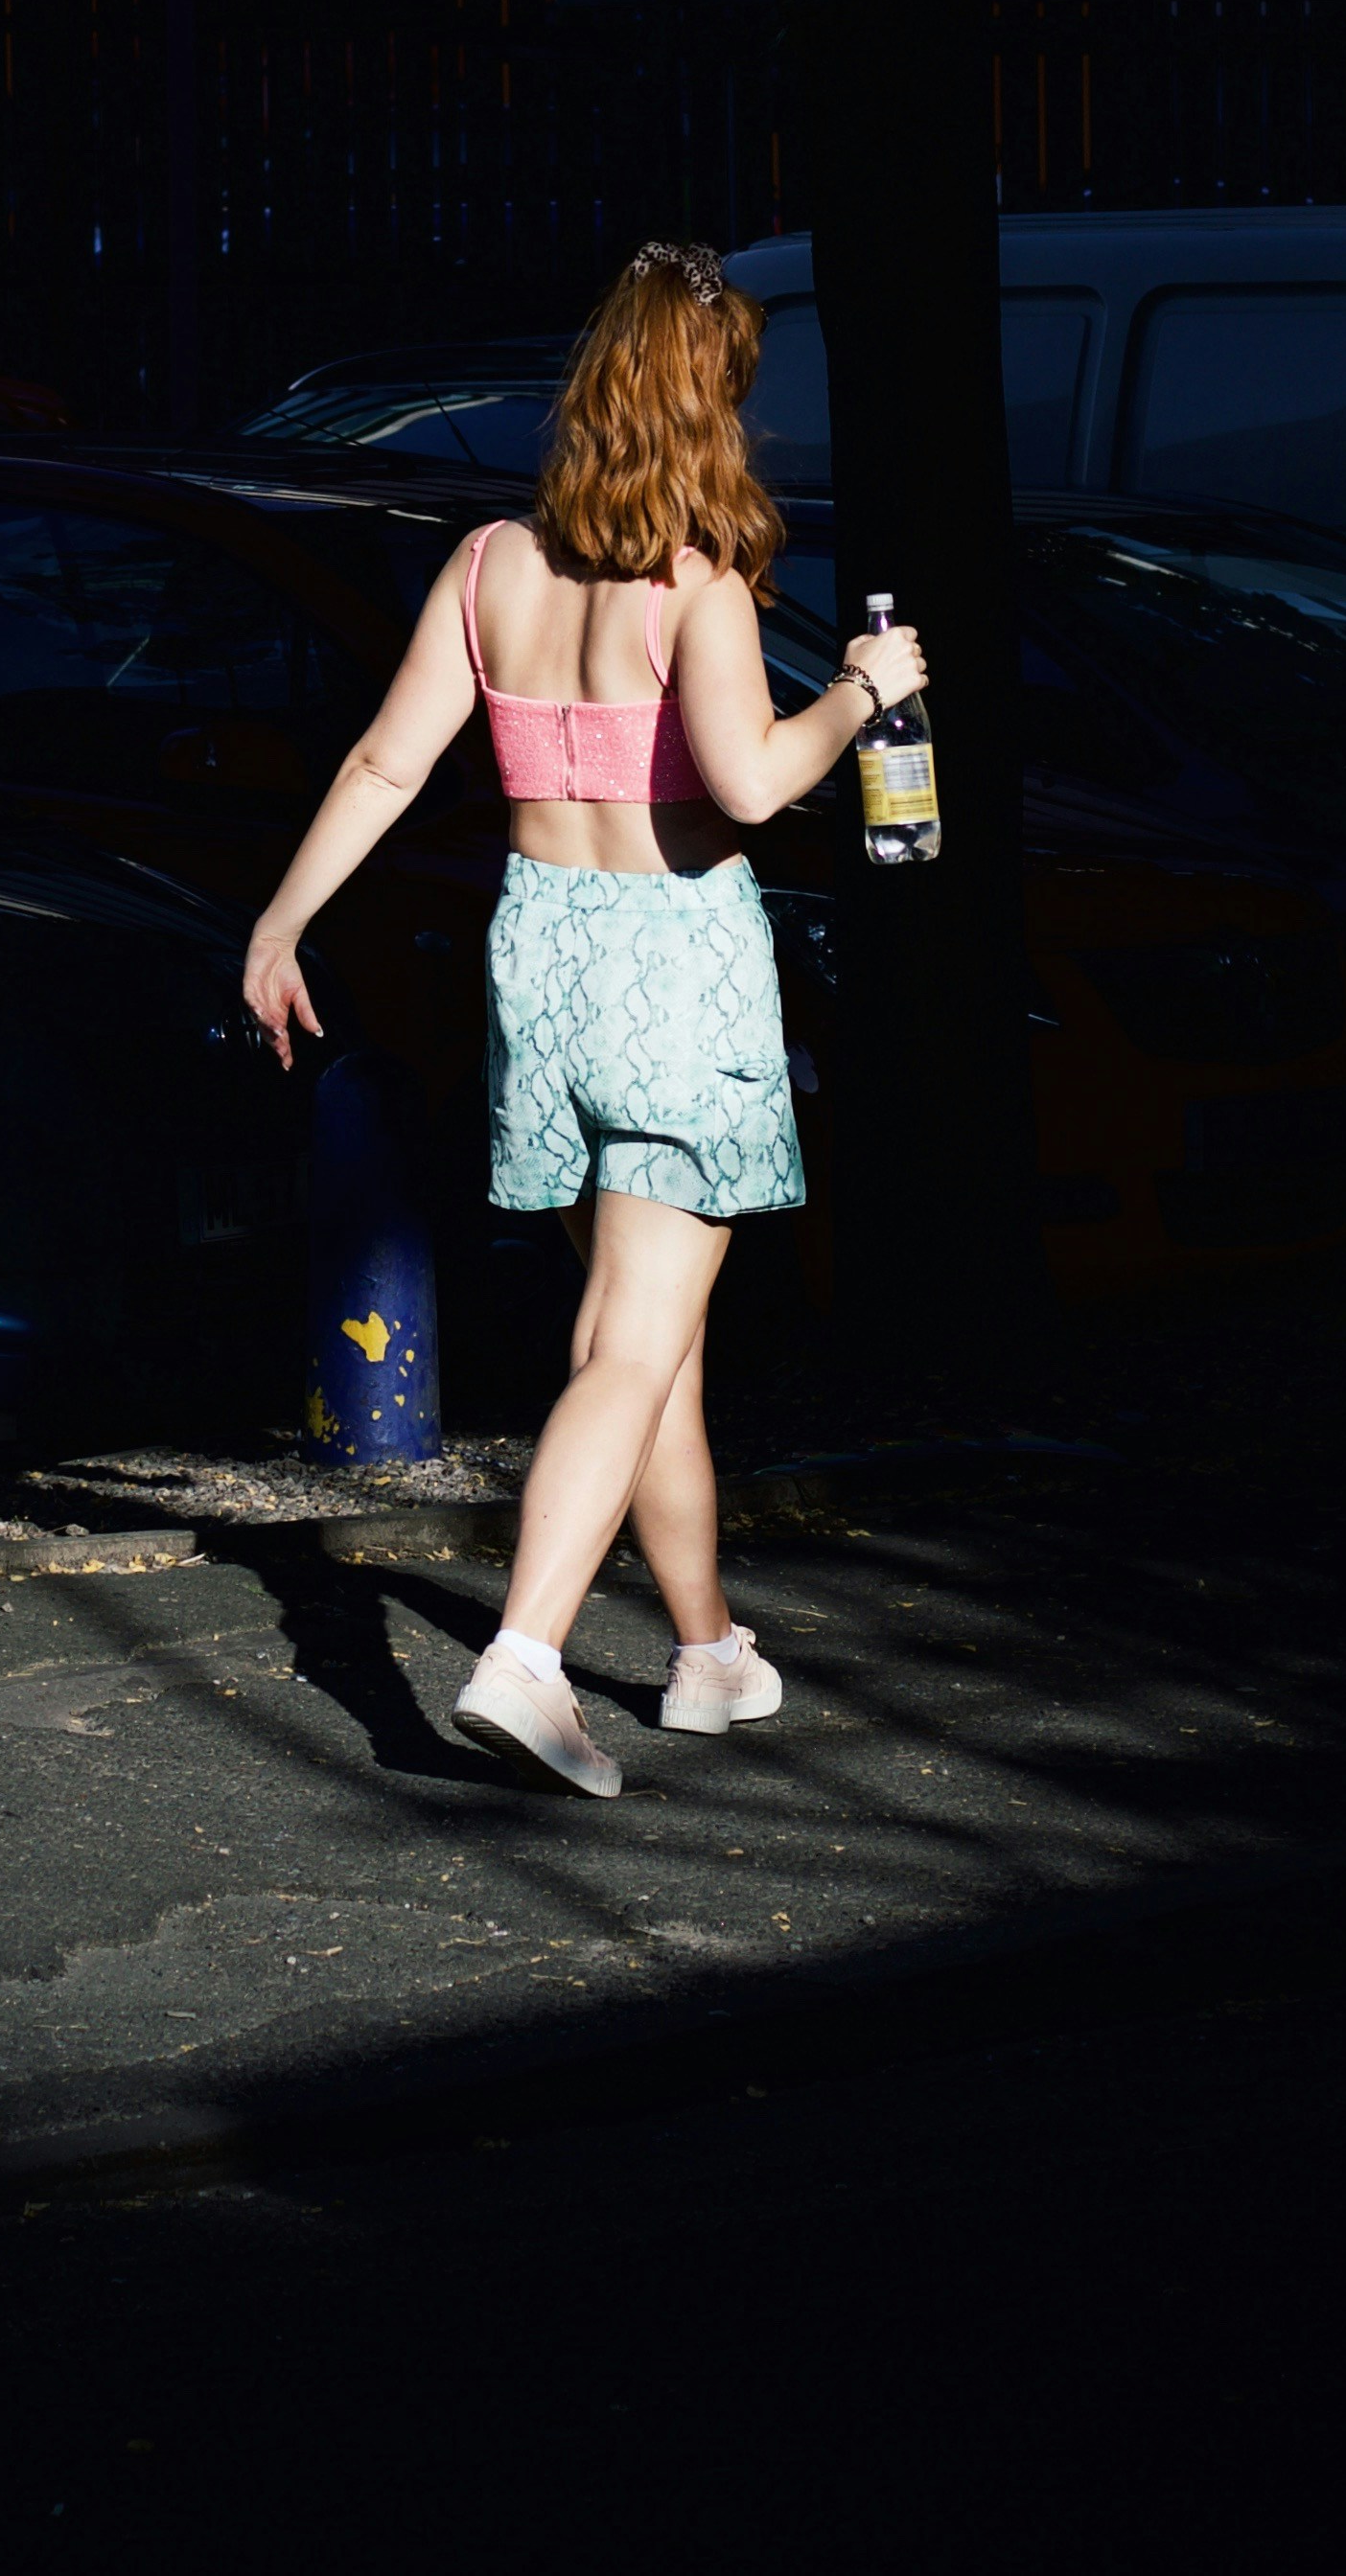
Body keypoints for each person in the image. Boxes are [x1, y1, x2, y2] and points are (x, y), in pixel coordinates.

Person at [241, 238, 924, 1795]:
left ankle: (704, 1650)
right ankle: (529, 1655)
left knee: (650, 1339)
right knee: (629, 1335)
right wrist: (863, 693)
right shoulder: (698, 587)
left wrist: (282, 920)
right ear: (705, 408)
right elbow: (750, 781)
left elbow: (380, 766)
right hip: (676, 970)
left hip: (538, 969)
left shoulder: (487, 567)